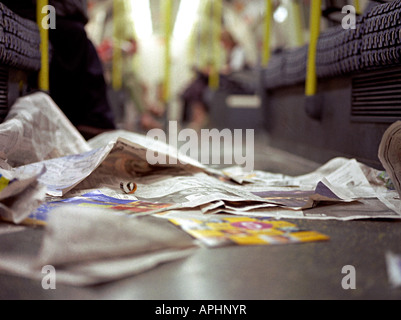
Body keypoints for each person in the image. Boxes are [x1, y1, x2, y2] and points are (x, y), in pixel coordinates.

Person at [2, 0, 117, 140]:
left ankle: (93, 119)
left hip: (51, 12)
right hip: (46, 13)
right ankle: (91, 120)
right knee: (74, 35)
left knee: (77, 37)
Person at [181, 28, 248, 132]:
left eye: (222, 41)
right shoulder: (228, 52)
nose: (221, 44)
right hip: (226, 79)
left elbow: (234, 69)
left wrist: (216, 71)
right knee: (196, 86)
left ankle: (199, 119)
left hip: (234, 82)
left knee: (197, 87)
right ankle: (198, 118)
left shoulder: (238, 51)